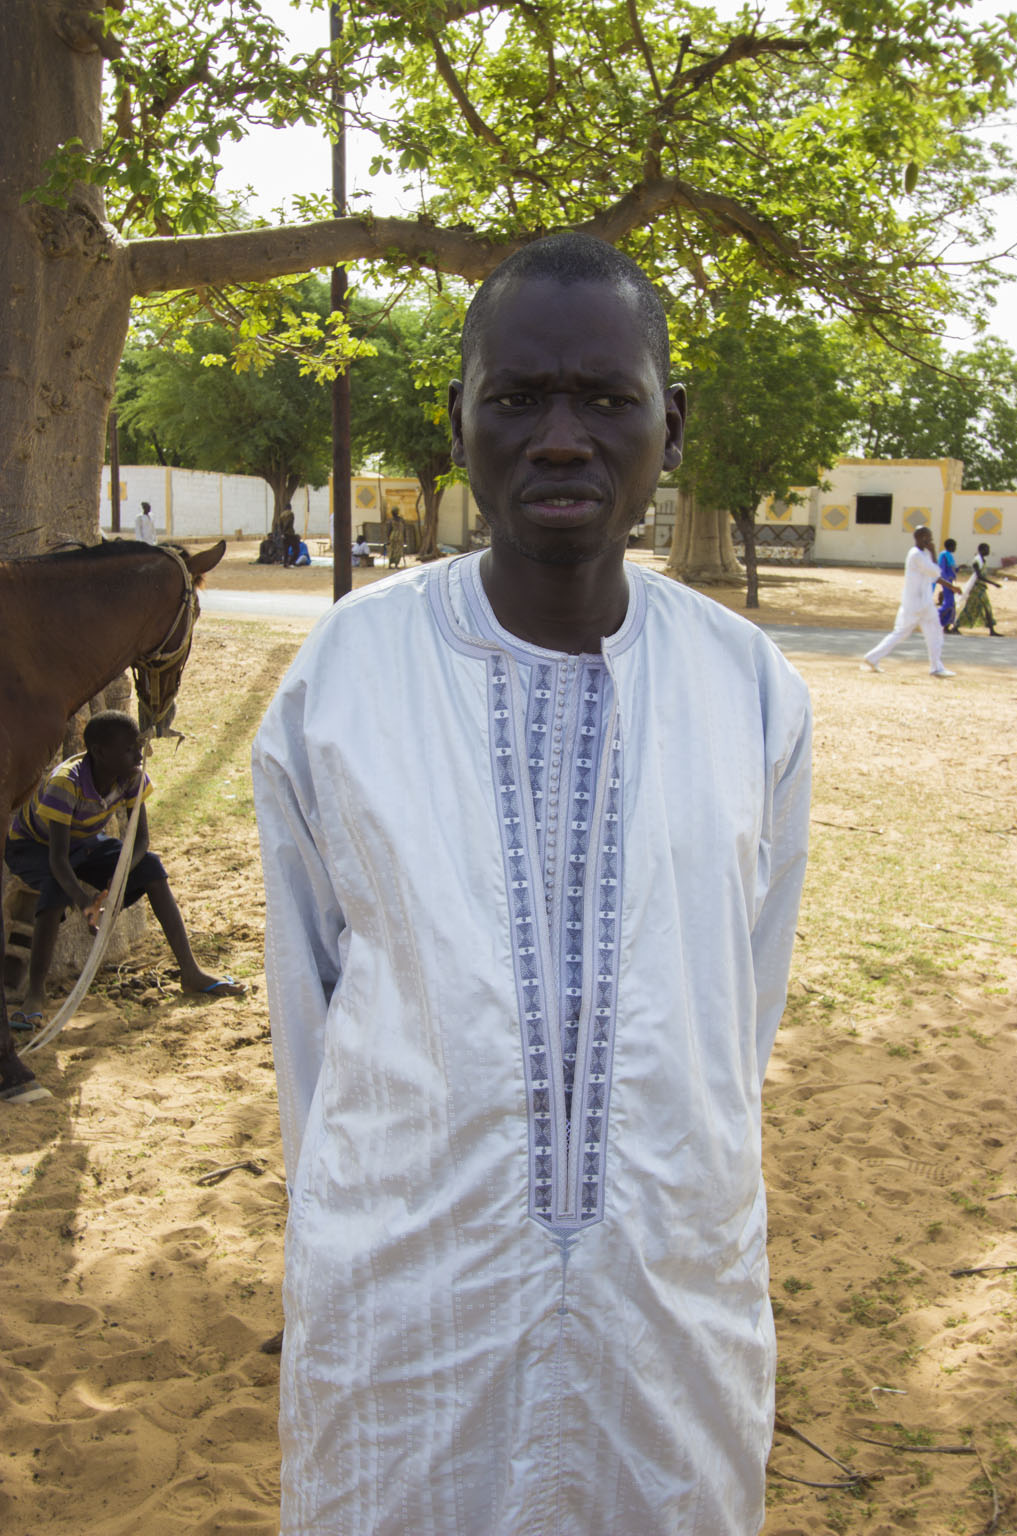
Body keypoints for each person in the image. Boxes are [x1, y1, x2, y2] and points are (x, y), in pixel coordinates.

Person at [252, 233, 812, 1536]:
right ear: (458, 424)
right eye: (517, 398)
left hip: (670, 1300)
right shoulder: (344, 681)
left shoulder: (750, 692)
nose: (562, 438)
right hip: (408, 1308)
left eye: (606, 400)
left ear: (669, 425)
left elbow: (739, 1008)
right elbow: (307, 1014)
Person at [4, 711, 244, 1025]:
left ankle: (191, 972)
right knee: (53, 886)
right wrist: (85, 902)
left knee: (152, 868)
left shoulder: (131, 776)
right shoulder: (67, 783)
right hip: (33, 846)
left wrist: (118, 879)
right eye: (129, 748)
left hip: (85, 842)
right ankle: (35, 994)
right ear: (99, 752)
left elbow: (140, 840)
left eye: (137, 746)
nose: (138, 754)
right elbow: (58, 859)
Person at [863, 525, 960, 677]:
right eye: (930, 537)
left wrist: (951, 587)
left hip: (916, 603)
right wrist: (934, 551)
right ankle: (936, 667)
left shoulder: (921, 554)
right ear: (923, 538)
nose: (932, 541)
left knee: (901, 633)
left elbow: (933, 576)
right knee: (934, 633)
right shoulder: (917, 555)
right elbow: (935, 570)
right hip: (920, 604)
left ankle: (872, 657)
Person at [957, 541, 1002, 635]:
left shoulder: (982, 561)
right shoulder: (976, 561)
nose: (988, 551)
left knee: (985, 608)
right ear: (981, 550)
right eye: (986, 549)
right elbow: (979, 576)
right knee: (973, 608)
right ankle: (955, 627)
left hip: (981, 588)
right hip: (977, 589)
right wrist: (994, 583)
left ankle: (992, 631)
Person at [937, 537, 959, 632]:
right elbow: (941, 570)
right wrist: (947, 582)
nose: (955, 548)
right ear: (950, 546)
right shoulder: (944, 555)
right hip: (947, 582)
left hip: (950, 582)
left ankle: (946, 626)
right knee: (948, 603)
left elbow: (953, 569)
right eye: (954, 546)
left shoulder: (949, 556)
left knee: (951, 603)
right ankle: (935, 619)